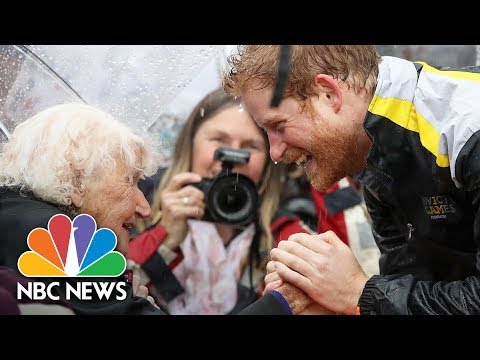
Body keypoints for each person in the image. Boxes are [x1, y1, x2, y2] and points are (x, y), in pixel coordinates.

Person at [223, 45, 480, 315]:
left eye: (278, 126)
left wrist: (358, 292)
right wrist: (332, 301)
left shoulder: (467, 126)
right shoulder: (372, 146)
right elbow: (416, 288)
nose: (274, 152)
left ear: (329, 94)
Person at [127, 88, 315, 314]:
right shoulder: (136, 210)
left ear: (268, 158)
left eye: (250, 146)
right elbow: (109, 295)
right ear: (191, 142)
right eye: (219, 140)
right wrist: (163, 239)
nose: (232, 158)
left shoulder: (286, 237)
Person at [0, 102, 168, 315]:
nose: (145, 208)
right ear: (77, 182)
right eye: (128, 181)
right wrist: (139, 303)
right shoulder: (64, 238)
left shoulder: (12, 211)